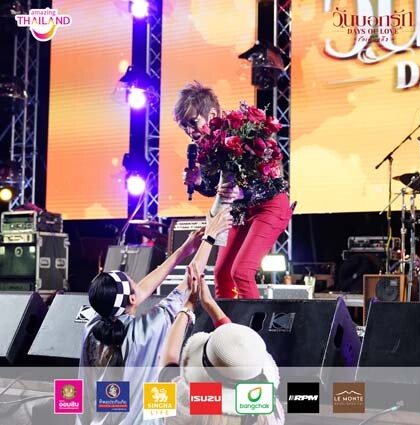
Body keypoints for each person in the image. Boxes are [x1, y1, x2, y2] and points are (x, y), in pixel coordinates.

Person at [77, 208, 233, 425]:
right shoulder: (148, 329)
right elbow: (189, 283)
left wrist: (183, 250)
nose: (140, 286)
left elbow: (139, 292)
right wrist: (210, 237)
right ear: (132, 298)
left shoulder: (92, 325)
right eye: (134, 283)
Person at [174, 81, 293, 299]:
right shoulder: (205, 147)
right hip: (241, 213)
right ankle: (225, 321)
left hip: (270, 206)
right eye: (184, 126)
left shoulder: (241, 132)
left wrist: (243, 193)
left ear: (211, 114)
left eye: (193, 122)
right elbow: (215, 189)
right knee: (221, 275)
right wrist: (198, 182)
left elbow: (271, 180)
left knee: (241, 272)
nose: (190, 131)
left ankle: (255, 323)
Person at [158, 265, 285, 425]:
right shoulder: (269, 413)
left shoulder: (183, 402)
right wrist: (210, 304)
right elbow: (237, 356)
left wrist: (188, 307)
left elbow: (166, 364)